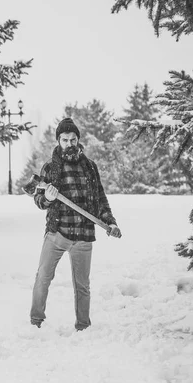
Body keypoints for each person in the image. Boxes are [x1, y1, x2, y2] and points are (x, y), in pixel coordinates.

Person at [30, 117, 121, 331]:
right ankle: (35, 322)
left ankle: (83, 326)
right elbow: (38, 200)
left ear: (78, 140)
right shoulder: (50, 168)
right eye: (64, 140)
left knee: (82, 286)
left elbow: (100, 199)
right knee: (43, 277)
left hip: (83, 236)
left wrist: (111, 222)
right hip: (57, 233)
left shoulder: (90, 167)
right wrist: (49, 199)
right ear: (58, 141)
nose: (69, 144)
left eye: (73, 139)